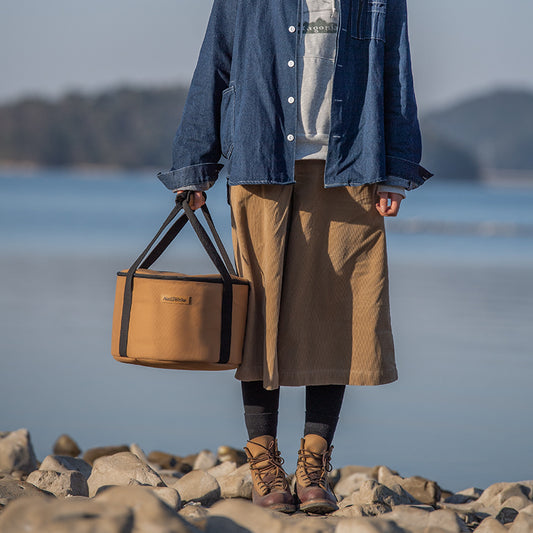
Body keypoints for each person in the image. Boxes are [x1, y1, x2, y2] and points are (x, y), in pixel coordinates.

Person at [157, 0, 433, 515]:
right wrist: (195, 165)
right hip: (261, 158)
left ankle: (313, 468)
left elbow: (396, 69)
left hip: (351, 166)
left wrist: (396, 168)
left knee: (338, 316)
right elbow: (214, 64)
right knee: (258, 316)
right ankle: (265, 466)